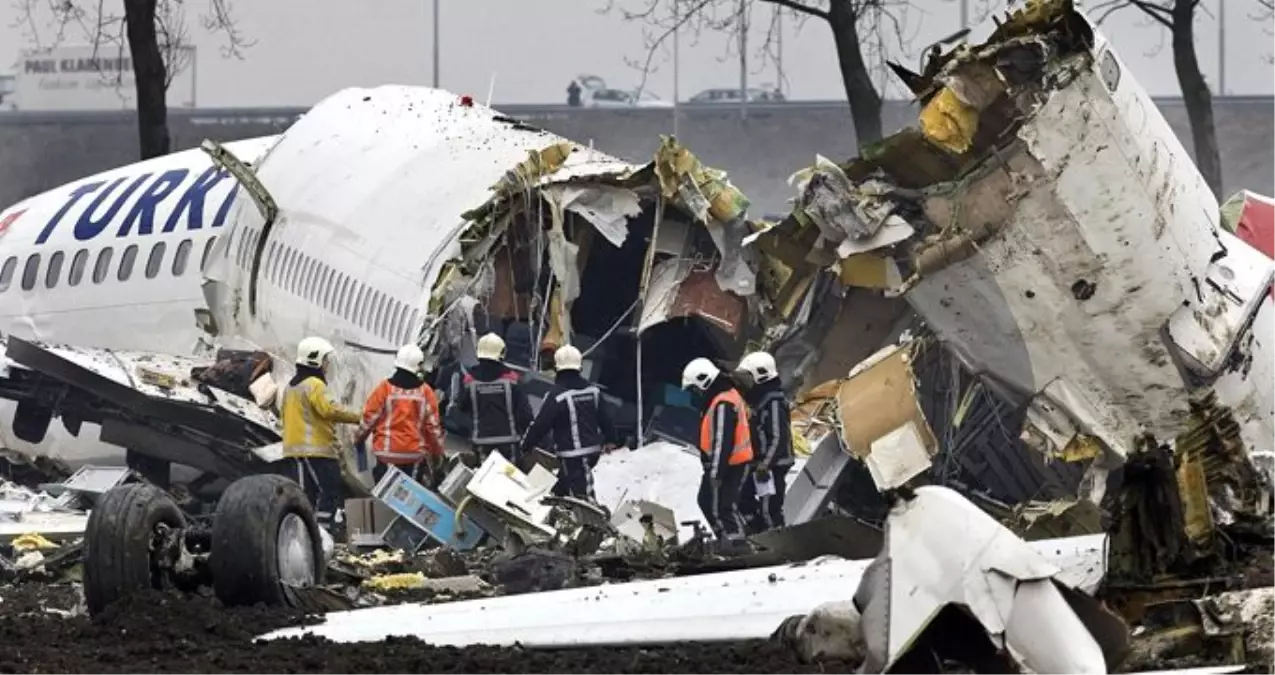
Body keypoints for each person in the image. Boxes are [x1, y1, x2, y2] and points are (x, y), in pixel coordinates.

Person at [280, 337, 362, 533]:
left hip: (294, 450)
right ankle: (322, 533)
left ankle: (306, 532)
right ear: (315, 360)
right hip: (316, 451)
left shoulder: (291, 387)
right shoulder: (315, 385)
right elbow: (329, 410)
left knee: (307, 494)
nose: (327, 365)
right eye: (325, 360)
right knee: (330, 491)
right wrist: (359, 416)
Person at [518, 344, 618, 500]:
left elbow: (540, 425)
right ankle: (553, 510)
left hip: (573, 455)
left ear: (557, 368)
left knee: (584, 498)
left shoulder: (556, 395)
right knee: (560, 490)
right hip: (592, 452)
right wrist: (611, 439)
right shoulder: (593, 391)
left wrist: (526, 445)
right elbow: (605, 418)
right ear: (579, 367)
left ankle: (592, 521)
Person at [682, 357, 754, 552]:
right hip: (728, 464)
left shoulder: (723, 402)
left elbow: (723, 440)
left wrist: (716, 472)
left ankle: (738, 544)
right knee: (709, 501)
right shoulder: (723, 397)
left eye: (695, 388)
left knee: (724, 506)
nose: (696, 394)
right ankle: (730, 539)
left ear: (704, 381)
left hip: (731, 465)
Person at [355, 344, 446, 489]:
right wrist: (438, 454)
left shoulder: (384, 389)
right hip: (413, 456)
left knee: (384, 493)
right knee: (409, 496)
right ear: (419, 366)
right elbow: (433, 428)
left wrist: (358, 438)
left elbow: (369, 420)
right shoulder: (426, 392)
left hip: (386, 454)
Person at [736, 351, 794, 533]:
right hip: (760, 463)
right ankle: (757, 534)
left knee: (770, 509)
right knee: (741, 498)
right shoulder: (760, 400)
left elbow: (778, 437)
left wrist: (766, 464)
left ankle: (777, 541)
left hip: (773, 465)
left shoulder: (774, 403)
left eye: (748, 377)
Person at [455, 332, 533, 466]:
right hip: (509, 442)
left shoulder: (469, 380)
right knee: (511, 480)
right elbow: (525, 414)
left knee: (484, 481)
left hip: (481, 441)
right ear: (501, 353)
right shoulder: (512, 379)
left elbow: (461, 407)